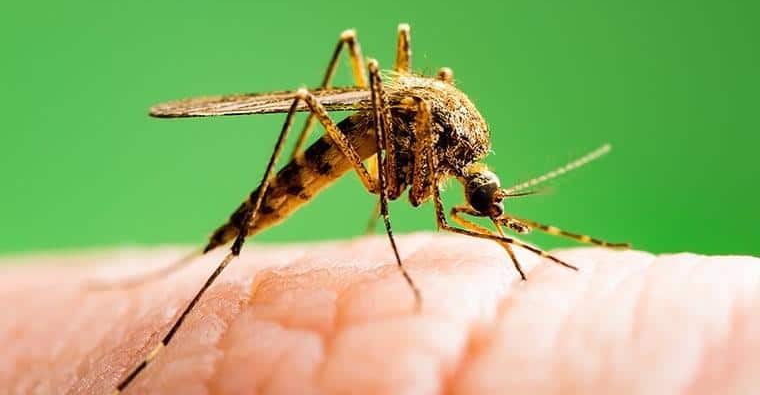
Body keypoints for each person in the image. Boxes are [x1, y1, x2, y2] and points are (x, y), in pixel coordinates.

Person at [2, 234, 758, 394]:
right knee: (316, 94)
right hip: (344, 127)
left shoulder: (456, 147)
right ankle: (200, 288)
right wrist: (390, 251)